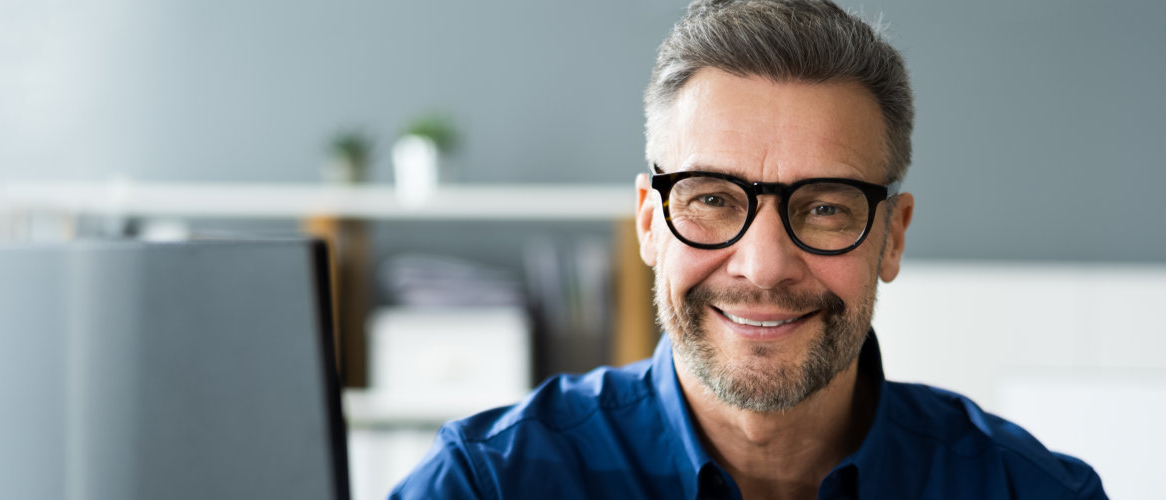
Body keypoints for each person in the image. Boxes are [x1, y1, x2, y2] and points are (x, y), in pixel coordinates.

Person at [390, 1, 1107, 498]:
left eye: (825, 208)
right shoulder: (490, 483)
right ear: (649, 223)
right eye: (711, 199)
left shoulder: (1030, 491)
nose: (763, 266)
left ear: (892, 236)